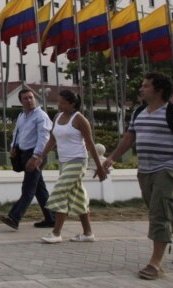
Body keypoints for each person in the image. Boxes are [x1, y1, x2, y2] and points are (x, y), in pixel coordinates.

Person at [103, 72, 173, 281]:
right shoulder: (139, 112)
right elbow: (129, 138)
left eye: (146, 86)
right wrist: (111, 158)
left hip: (168, 169)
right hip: (145, 171)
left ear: (158, 90)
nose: (141, 89)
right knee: (163, 213)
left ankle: (155, 263)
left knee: (160, 215)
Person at [33, 89, 106, 244]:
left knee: (60, 192)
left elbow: (90, 144)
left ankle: (56, 232)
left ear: (72, 103)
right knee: (78, 197)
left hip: (78, 161)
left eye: (63, 102)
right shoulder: (58, 117)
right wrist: (41, 156)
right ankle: (88, 233)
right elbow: (52, 139)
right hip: (64, 163)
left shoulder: (80, 119)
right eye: (58, 102)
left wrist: (99, 167)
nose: (59, 105)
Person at [0, 88, 55, 230]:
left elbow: (44, 138)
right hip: (24, 154)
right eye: (25, 98)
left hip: (36, 155)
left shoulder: (41, 116)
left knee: (28, 187)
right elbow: (17, 132)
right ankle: (51, 219)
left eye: (31, 97)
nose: (29, 100)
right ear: (21, 101)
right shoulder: (22, 116)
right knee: (39, 189)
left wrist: (36, 157)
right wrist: (13, 147)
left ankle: (14, 217)